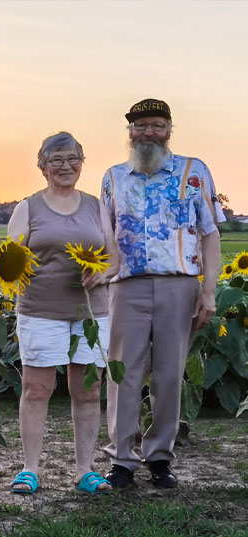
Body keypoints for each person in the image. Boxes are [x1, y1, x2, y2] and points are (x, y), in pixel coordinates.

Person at [102, 99, 224, 489]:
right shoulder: (113, 178)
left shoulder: (194, 172)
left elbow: (210, 234)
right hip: (127, 284)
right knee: (123, 373)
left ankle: (159, 456)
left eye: (156, 125)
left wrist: (208, 292)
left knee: (169, 375)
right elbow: (103, 236)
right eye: (140, 126)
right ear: (130, 134)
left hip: (179, 284)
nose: (148, 133)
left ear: (169, 130)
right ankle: (122, 458)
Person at [7, 131, 118, 494]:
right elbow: (11, 258)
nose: (65, 166)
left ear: (82, 164)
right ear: (42, 167)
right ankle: (30, 469)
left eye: (73, 159)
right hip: (40, 310)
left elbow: (114, 256)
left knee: (87, 390)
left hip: (90, 311)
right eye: (56, 160)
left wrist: (102, 272)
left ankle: (85, 470)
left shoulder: (95, 207)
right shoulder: (28, 208)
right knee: (37, 388)